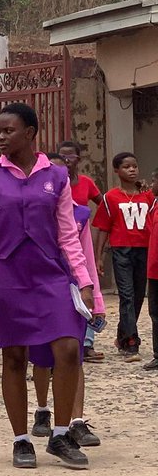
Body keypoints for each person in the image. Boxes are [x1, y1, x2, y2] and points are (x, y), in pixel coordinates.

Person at [0, 103, 95, 469]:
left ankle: (60, 435)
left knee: (69, 349)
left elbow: (68, 234)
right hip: (7, 275)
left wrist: (85, 280)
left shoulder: (55, 177)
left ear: (30, 133)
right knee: (13, 356)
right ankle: (21, 440)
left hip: (50, 275)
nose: (2, 137)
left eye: (8, 130)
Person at [31, 195, 105, 449]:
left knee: (74, 355)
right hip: (38, 288)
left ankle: (77, 421)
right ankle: (42, 409)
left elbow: (86, 258)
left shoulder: (80, 215)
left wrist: (96, 298)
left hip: (72, 290)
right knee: (41, 357)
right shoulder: (31, 212)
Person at [92, 151, 153, 359]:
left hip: (144, 249)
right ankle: (131, 342)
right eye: (127, 167)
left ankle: (122, 334)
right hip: (121, 250)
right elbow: (102, 229)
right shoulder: (111, 197)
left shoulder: (147, 195)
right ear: (117, 171)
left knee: (137, 296)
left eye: (135, 166)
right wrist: (98, 256)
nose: (132, 170)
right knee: (126, 295)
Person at [57, 141, 103, 211]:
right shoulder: (51, 183)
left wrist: (98, 221)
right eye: (62, 157)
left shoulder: (86, 182)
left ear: (78, 160)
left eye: (71, 157)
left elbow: (106, 206)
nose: (66, 160)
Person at [146, 168, 158, 371]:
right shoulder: (154, 203)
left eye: (154, 180)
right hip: (154, 269)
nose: (150, 184)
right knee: (155, 312)